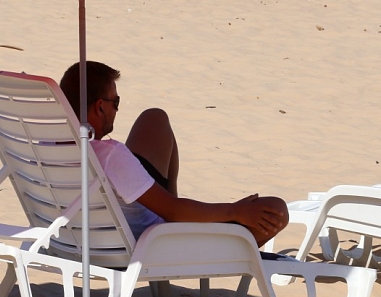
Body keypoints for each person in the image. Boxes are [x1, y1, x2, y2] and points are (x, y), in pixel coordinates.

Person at [59, 61, 288, 247]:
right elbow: (173, 210)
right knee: (276, 211)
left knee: (154, 118)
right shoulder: (110, 155)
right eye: (115, 102)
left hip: (76, 240)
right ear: (99, 106)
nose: (116, 109)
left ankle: (175, 209)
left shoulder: (47, 148)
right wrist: (235, 211)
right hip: (152, 242)